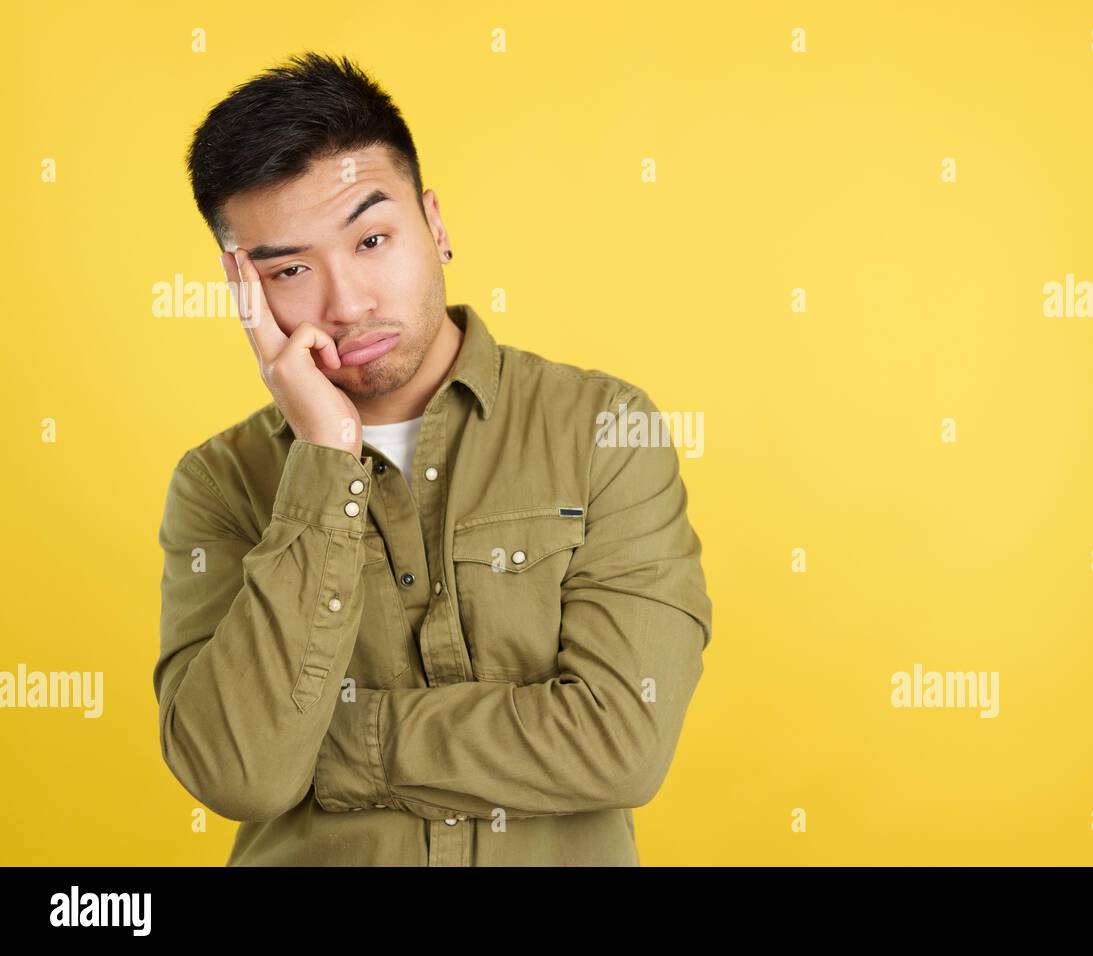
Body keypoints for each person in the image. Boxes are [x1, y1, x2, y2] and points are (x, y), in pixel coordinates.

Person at [154, 52, 712, 866]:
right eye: (292, 270)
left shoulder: (604, 429)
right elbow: (238, 774)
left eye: (373, 238)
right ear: (243, 289)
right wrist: (324, 459)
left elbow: (624, 739)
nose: (347, 304)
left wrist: (335, 746)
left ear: (436, 225)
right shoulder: (220, 483)